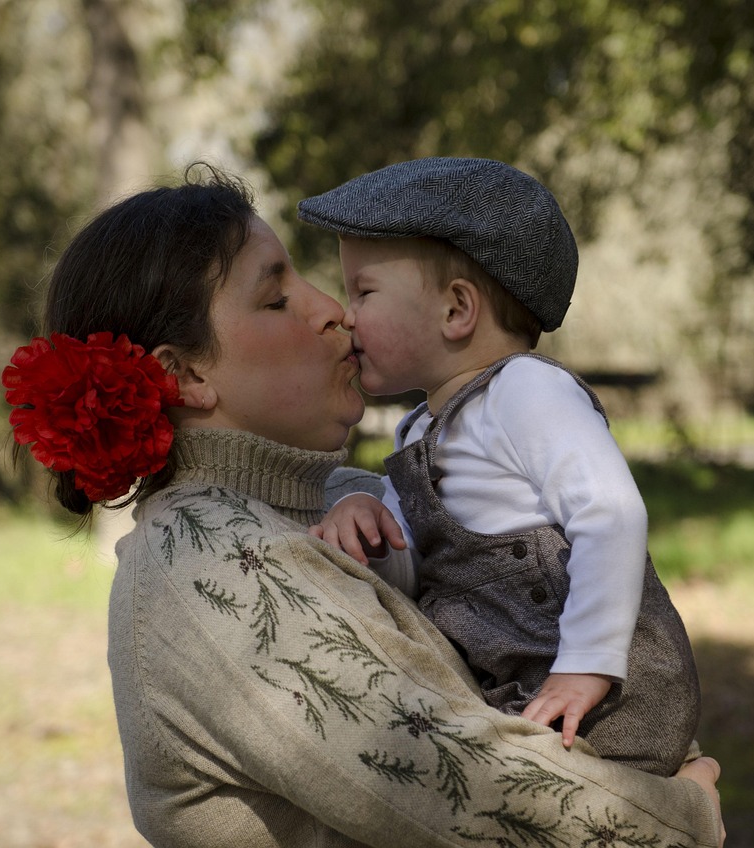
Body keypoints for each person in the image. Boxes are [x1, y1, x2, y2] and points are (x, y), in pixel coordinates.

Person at [4, 163, 725, 847]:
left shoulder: (296, 518)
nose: (332, 313)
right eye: (277, 298)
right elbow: (468, 788)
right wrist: (684, 820)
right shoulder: (209, 566)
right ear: (186, 374)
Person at [298, 157, 700, 777]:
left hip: (606, 697)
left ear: (457, 310)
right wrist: (367, 514)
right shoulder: (423, 432)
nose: (347, 314)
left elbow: (612, 513)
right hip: (519, 693)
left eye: (364, 292)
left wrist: (585, 664)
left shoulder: (525, 392)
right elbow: (413, 558)